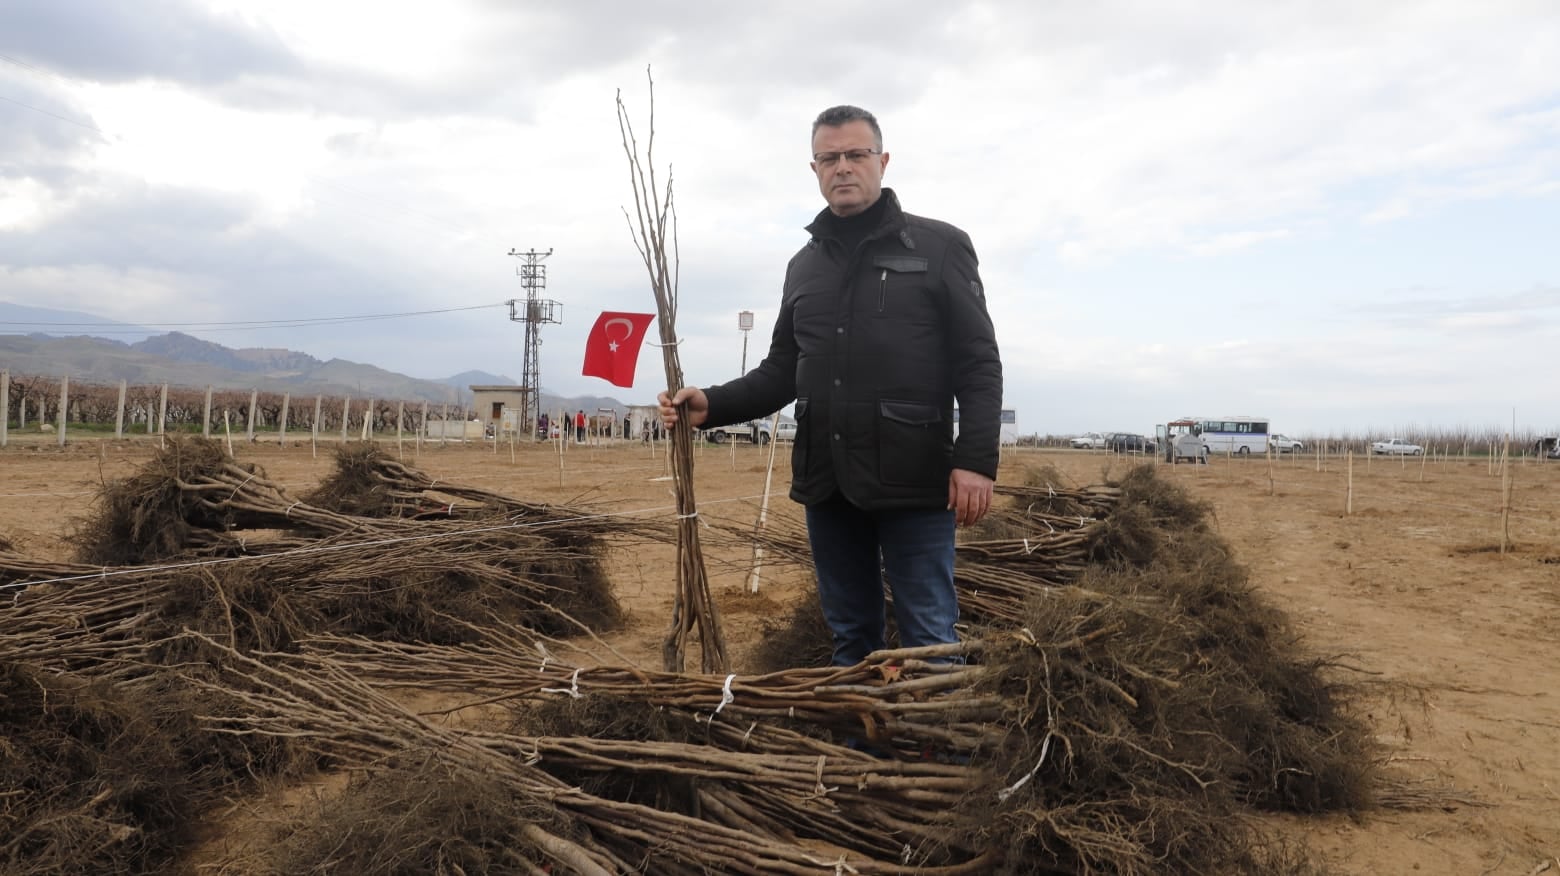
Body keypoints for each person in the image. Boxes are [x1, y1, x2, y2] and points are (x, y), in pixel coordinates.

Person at [658, 105, 1002, 666]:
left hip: (916, 482)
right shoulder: (804, 265)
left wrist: (976, 461)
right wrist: (710, 404)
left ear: (883, 161)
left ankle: (940, 755)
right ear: (814, 168)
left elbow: (979, 363)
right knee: (850, 636)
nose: (843, 167)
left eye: (856, 155)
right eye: (829, 158)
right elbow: (780, 371)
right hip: (828, 484)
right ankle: (855, 747)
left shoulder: (940, 248)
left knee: (930, 636)